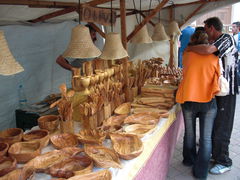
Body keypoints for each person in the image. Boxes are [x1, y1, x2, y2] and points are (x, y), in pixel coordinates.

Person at [186, 17, 239, 175]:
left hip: (227, 90)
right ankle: (214, 154)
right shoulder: (215, 42)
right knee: (216, 123)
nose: (206, 33)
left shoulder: (226, 38)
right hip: (218, 89)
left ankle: (224, 161)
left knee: (223, 125)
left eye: (206, 29)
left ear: (211, 28)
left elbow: (208, 51)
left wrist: (190, 48)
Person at [176, 31, 220, 179]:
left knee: (189, 133)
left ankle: (189, 160)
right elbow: (217, 76)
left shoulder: (187, 54)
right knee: (206, 139)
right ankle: (201, 173)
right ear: (207, 41)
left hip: (188, 99)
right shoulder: (214, 56)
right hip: (208, 100)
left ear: (193, 39)